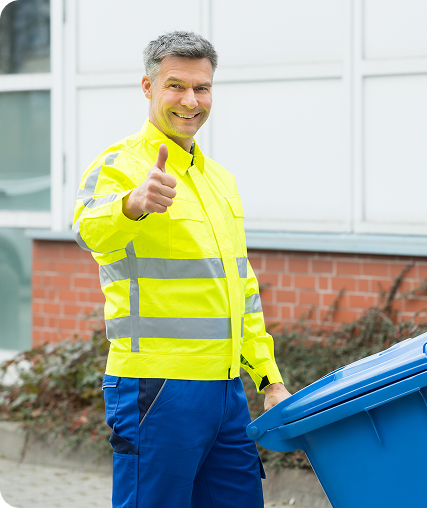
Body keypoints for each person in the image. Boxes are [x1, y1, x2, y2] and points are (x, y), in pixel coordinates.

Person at [72, 31, 291, 508]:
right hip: (157, 388)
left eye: (202, 88)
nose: (191, 100)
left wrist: (268, 378)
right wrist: (131, 204)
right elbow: (88, 228)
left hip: (226, 391)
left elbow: (241, 288)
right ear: (148, 87)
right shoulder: (119, 165)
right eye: (176, 86)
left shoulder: (221, 181)